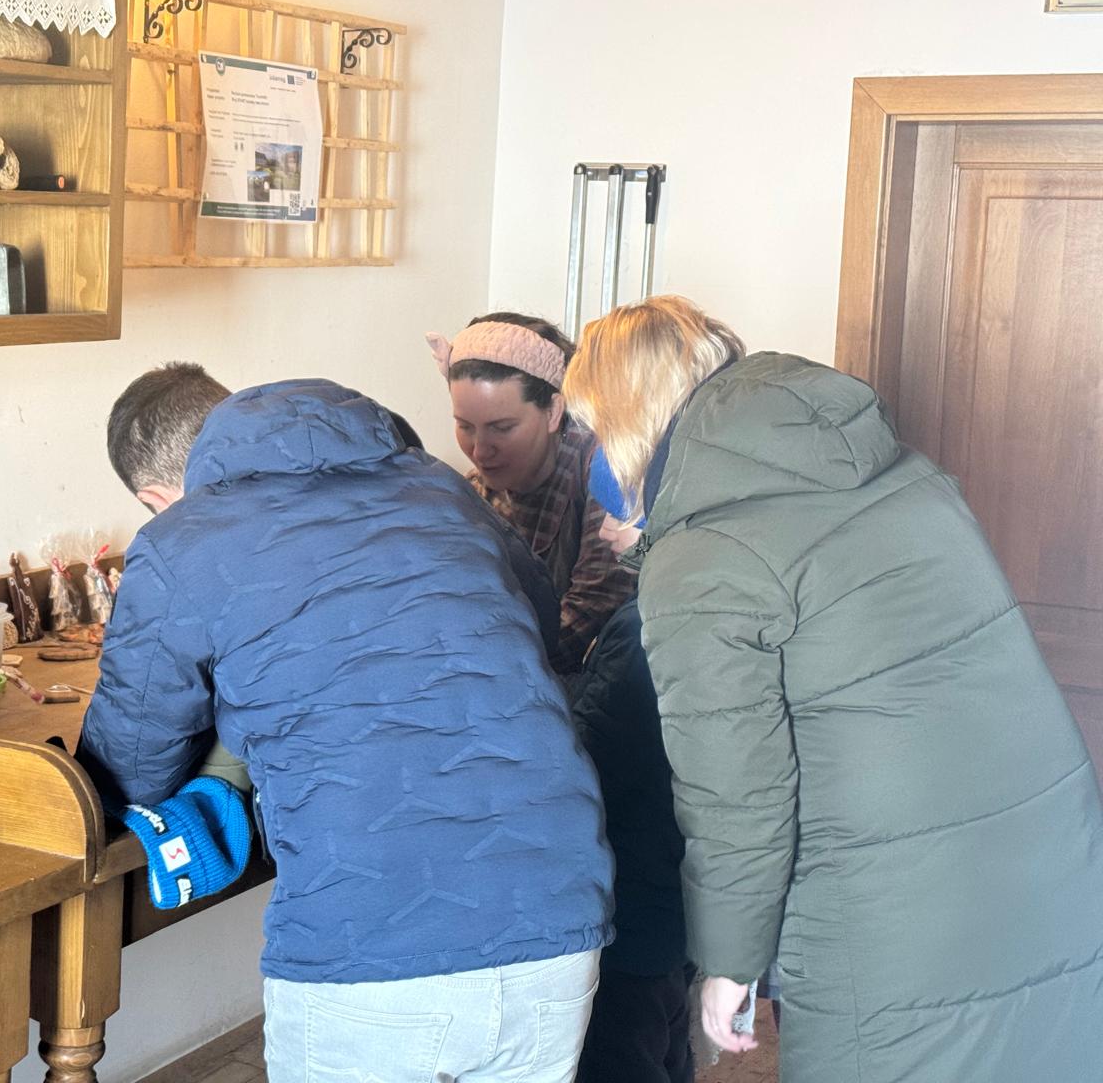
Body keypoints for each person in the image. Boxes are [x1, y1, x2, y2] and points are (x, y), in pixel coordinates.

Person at [562, 295, 1103, 1082]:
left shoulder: (702, 561)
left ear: (626, 420)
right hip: (1044, 847)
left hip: (890, 901)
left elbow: (737, 796)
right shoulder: (903, 474)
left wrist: (729, 966)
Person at [80, 363, 614, 1082]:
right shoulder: (440, 487)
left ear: (155, 498)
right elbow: (539, 629)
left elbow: (128, 765)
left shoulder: (182, 540)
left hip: (372, 927)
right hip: (554, 905)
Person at [569, 450, 692, 1083]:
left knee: (622, 1052)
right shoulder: (694, 603)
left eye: (621, 515)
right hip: (673, 901)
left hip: (629, 906)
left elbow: (595, 768)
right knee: (667, 1039)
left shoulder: (642, 626)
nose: (604, 531)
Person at [427, 313, 632, 664]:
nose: (480, 451)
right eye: (465, 426)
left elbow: (589, 615)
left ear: (553, 411)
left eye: (502, 428)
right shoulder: (472, 493)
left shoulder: (606, 476)